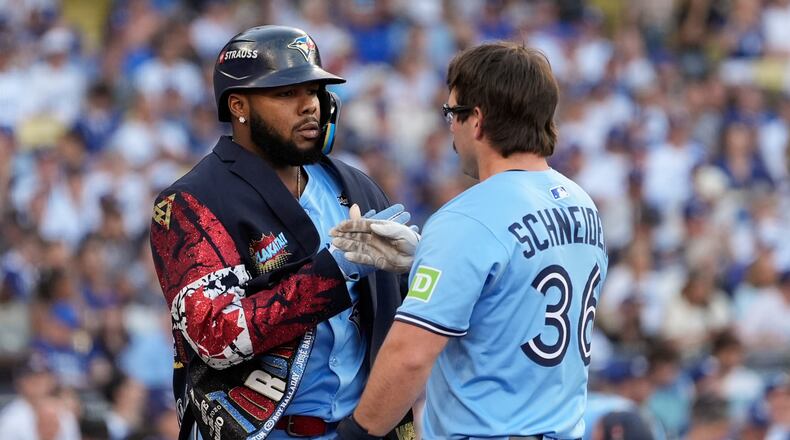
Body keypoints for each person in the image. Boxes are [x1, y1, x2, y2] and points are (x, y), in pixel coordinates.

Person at [331, 42, 610, 439]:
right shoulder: (583, 203)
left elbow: (411, 356)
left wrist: (357, 433)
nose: (450, 125)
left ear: (476, 120)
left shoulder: (468, 217)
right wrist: (427, 259)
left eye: (452, 112)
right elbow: (516, 297)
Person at [149, 25, 413, 440]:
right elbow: (215, 335)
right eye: (286, 93)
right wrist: (336, 270)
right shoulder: (189, 204)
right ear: (239, 106)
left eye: (313, 91)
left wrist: (418, 273)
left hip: (363, 429)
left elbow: (401, 324)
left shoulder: (356, 186)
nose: (309, 106)